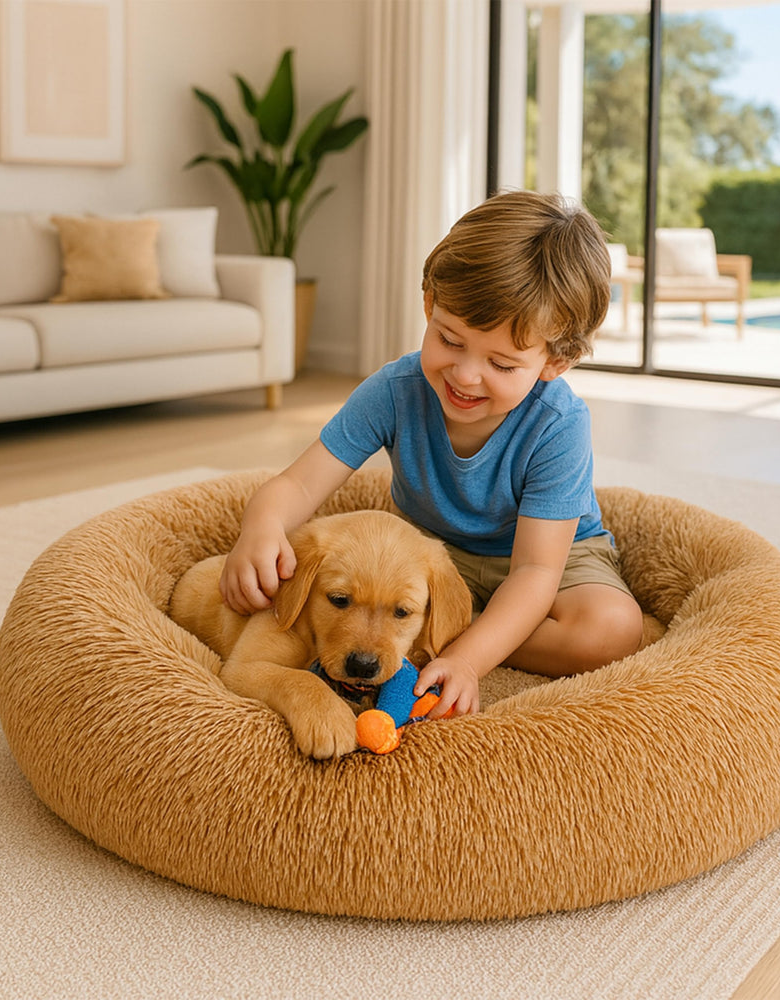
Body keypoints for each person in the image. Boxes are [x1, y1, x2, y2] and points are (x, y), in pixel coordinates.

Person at [219, 190, 644, 718]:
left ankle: (437, 635)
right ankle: (418, 625)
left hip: (549, 559)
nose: (465, 375)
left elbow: (536, 572)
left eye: (503, 365)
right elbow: (300, 485)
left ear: (555, 362)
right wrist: (260, 527)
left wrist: (467, 659)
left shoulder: (559, 424)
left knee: (613, 629)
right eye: (448, 339)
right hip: (431, 560)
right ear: (429, 304)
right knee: (323, 593)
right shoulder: (394, 390)